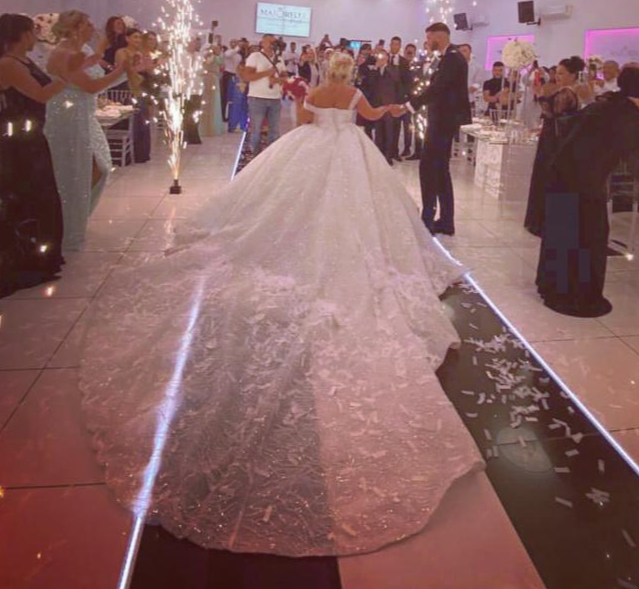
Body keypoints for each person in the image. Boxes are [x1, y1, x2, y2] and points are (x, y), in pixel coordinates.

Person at [80, 50, 482, 555]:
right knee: (358, 215)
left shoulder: (315, 92)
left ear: (327, 72)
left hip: (312, 155)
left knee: (296, 205)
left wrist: (320, 117)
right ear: (349, 73)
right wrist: (391, 110)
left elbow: (304, 122)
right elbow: (371, 118)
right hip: (351, 158)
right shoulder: (355, 94)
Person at [537, 68, 639, 317]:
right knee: (587, 238)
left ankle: (553, 287)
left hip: (560, 177)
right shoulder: (629, 120)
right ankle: (574, 296)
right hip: (583, 185)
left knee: (564, 234)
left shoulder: (604, 107)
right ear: (638, 97)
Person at [45, 11, 130, 250]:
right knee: (73, 172)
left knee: (99, 166)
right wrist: (121, 70)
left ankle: (76, 218)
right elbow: (90, 86)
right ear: (76, 28)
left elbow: (94, 84)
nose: (93, 28)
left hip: (83, 114)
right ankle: (66, 227)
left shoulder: (80, 52)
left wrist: (123, 70)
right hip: (67, 115)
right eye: (88, 24)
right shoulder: (63, 52)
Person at [0, 14, 67, 295]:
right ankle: (25, 258)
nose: (36, 36)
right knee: (27, 196)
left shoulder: (24, 61)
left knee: (42, 195)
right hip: (18, 141)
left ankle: (41, 255)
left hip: (32, 136)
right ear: (23, 34)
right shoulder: (8, 64)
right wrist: (66, 77)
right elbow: (39, 95)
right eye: (32, 31)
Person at [404, 22, 469, 236]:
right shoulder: (447, 57)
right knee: (440, 171)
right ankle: (446, 221)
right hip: (441, 121)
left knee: (429, 169)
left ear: (438, 37)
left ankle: (428, 219)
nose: (427, 42)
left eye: (429, 38)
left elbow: (437, 88)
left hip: (443, 122)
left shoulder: (452, 58)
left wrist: (410, 105)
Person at [524, 55, 591, 237]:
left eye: (562, 73)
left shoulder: (567, 93)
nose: (558, 76)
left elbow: (552, 113)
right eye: (557, 73)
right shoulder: (569, 91)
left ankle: (543, 221)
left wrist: (540, 95)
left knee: (547, 176)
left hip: (554, 141)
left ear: (573, 75)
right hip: (554, 137)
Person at [240, 33, 286, 154]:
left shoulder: (279, 58)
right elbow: (247, 76)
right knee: (256, 130)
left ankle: (270, 156)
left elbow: (285, 77)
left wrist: (277, 80)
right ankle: (255, 154)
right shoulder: (255, 56)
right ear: (263, 43)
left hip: (275, 98)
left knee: (274, 131)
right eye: (269, 42)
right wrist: (266, 73)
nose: (272, 44)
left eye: (273, 42)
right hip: (257, 98)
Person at [115, 29, 152, 163]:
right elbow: (123, 69)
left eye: (140, 38)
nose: (138, 40)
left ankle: (141, 153)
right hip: (126, 87)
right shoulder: (122, 52)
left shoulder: (142, 53)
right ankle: (129, 154)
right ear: (127, 38)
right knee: (133, 120)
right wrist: (135, 63)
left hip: (141, 88)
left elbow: (149, 69)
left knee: (143, 119)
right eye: (135, 37)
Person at [200, 45, 226, 137]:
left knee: (212, 102)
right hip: (209, 80)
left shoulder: (215, 57)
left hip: (213, 79)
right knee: (209, 102)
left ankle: (211, 126)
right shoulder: (211, 57)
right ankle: (208, 127)